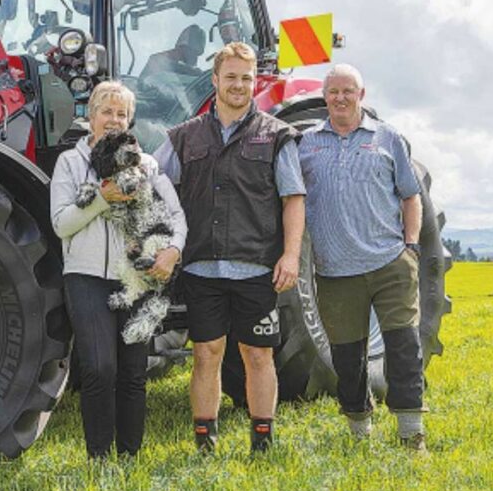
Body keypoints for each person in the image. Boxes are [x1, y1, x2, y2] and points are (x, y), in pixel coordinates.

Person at [155, 42, 306, 453]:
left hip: (256, 267)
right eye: (231, 77)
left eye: (246, 78)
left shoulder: (276, 136)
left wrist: (290, 256)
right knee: (207, 353)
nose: (239, 85)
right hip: (201, 268)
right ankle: (205, 438)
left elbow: (293, 198)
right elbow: (153, 182)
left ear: (254, 82)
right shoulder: (183, 137)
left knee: (259, 355)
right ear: (215, 81)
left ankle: (263, 438)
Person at [50, 81, 188, 460]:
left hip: (136, 277)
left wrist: (173, 249)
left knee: (132, 371)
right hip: (86, 276)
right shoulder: (70, 163)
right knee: (99, 368)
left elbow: (175, 216)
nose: (114, 120)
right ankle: (100, 457)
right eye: (107, 112)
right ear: (91, 116)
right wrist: (101, 199)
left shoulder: (146, 165)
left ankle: (130, 455)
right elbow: (61, 223)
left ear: (130, 121)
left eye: (122, 114)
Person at [297, 63, 428, 453]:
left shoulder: (387, 138)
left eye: (348, 91)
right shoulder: (306, 144)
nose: (340, 98)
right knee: (347, 358)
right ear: (325, 96)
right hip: (336, 272)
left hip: (390, 263)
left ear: (361, 95)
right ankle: (359, 432)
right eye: (333, 91)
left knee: (403, 347)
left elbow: (410, 195)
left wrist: (412, 246)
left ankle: (411, 434)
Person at [140, 24, 206, 79]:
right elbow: (156, 62)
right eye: (192, 51)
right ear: (181, 47)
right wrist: (197, 73)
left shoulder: (193, 78)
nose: (194, 58)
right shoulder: (157, 61)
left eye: (197, 54)